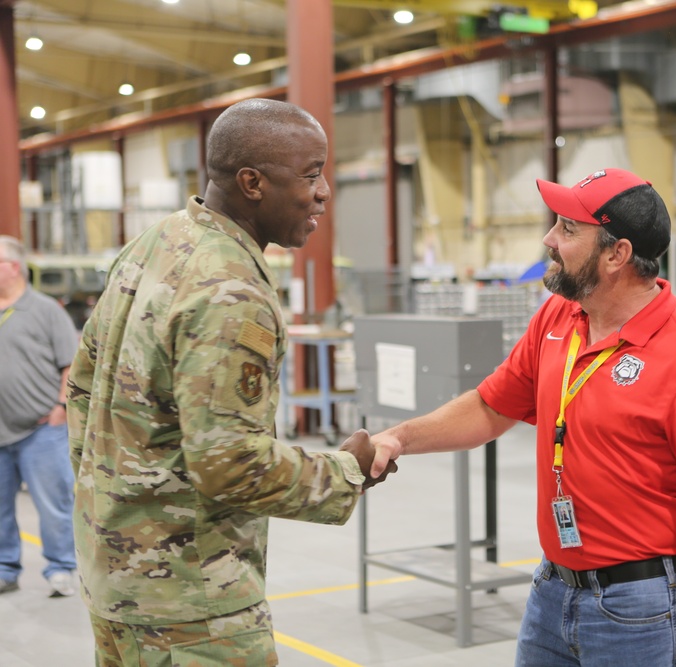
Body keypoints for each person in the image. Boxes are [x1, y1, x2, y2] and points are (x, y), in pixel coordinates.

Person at [362, 168, 676, 667]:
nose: (549, 239)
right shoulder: (559, 319)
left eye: (568, 229)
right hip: (553, 590)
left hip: (642, 608)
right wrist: (399, 438)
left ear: (618, 254)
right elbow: (490, 406)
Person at [66, 98, 396, 665]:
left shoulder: (155, 245)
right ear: (252, 183)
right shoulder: (231, 290)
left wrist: (123, 506)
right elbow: (228, 465)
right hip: (192, 607)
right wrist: (347, 471)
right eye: (311, 175)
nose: (323, 192)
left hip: (117, 580)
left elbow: (81, 393)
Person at [0, 235, 79, 599]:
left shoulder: (46, 310)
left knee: (53, 503)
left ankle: (61, 567)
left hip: (40, 430)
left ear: (12, 267)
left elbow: (71, 364)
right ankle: (5, 568)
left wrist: (61, 407)